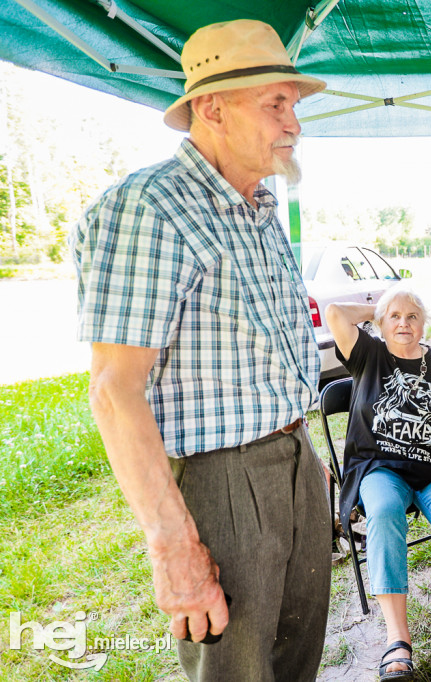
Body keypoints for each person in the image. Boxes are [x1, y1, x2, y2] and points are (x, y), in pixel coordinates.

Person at [71, 19, 330, 681]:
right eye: (276, 104)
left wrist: (305, 461)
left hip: (294, 462)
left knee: (296, 664)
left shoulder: (260, 209)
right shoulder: (150, 208)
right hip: (220, 484)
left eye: (293, 106)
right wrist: (173, 548)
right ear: (211, 107)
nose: (293, 123)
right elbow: (113, 389)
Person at [325, 287, 431, 682]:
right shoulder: (369, 354)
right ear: (380, 322)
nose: (403, 323)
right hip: (381, 469)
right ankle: (397, 641)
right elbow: (333, 313)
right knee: (382, 510)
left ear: (424, 322)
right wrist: (381, 305)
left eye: (412, 315)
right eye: (394, 316)